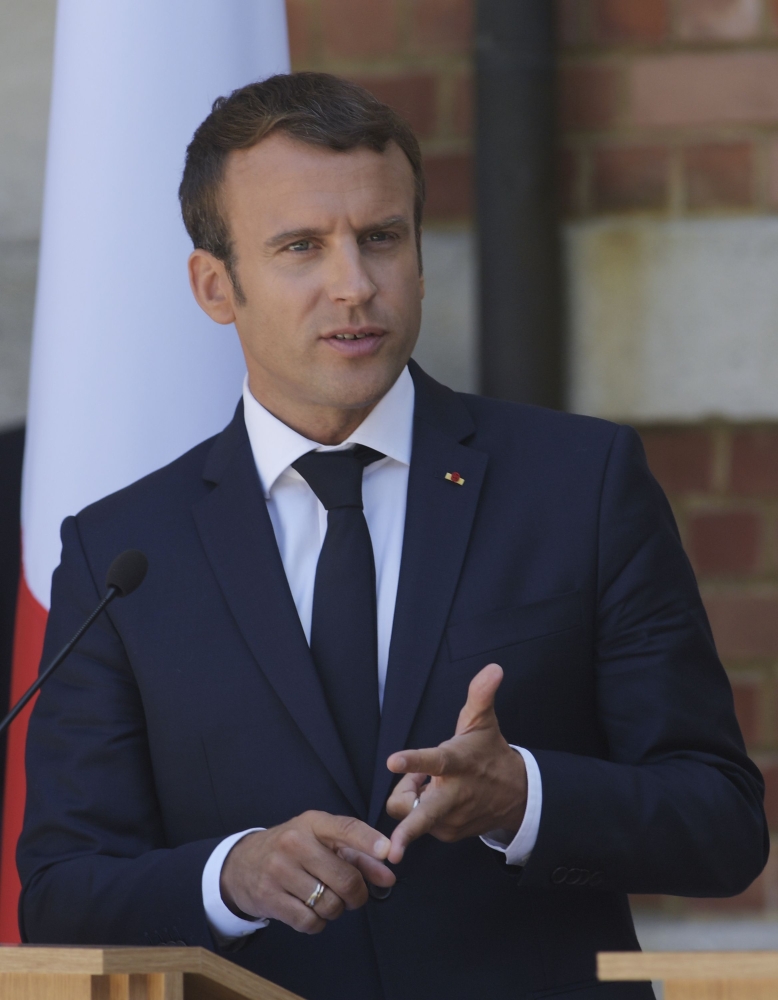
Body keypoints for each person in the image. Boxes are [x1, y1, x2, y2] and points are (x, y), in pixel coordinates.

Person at [18, 73, 767, 1000]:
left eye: (381, 237)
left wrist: (524, 796)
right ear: (216, 286)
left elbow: (721, 822)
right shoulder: (124, 552)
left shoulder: (582, 483)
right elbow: (62, 897)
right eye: (302, 247)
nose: (355, 285)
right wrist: (232, 876)